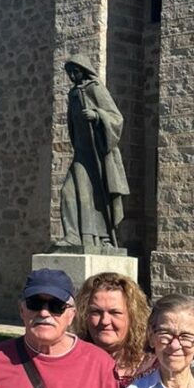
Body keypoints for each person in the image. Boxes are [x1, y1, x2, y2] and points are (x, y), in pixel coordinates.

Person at [52, 54, 129, 253]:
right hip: (82, 154)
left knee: (96, 195)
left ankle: (100, 237)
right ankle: (73, 235)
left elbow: (116, 118)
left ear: (83, 70)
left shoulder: (94, 88)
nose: (72, 75)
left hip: (98, 155)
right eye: (69, 72)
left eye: (75, 71)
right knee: (68, 192)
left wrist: (97, 115)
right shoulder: (73, 94)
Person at [74, 272, 157, 388]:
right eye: (96, 312)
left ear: (133, 316)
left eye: (115, 313)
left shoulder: (155, 366)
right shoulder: (72, 363)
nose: (104, 321)